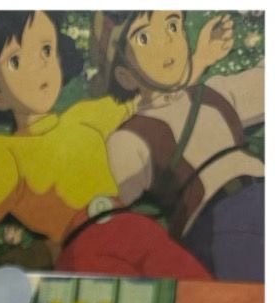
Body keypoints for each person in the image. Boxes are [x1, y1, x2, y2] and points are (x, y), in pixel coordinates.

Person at [0, 11, 211, 278]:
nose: (38, 66)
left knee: (202, 295)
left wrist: (203, 59)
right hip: (87, 249)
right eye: (16, 60)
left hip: (137, 231)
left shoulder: (86, 116)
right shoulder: (6, 155)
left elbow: (149, 94)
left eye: (46, 50)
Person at [93, 11, 264, 281]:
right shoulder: (130, 137)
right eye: (144, 37)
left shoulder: (216, 91)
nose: (167, 41)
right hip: (218, 224)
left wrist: (204, 58)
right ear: (125, 76)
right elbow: (128, 220)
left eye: (173, 26)